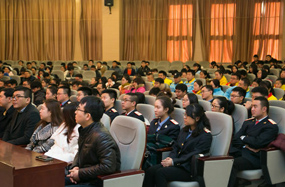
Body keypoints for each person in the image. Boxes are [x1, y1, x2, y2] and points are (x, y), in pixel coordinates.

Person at [143, 104, 212, 187]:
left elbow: (193, 154)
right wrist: (170, 158)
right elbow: (176, 147)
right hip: (177, 163)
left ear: (197, 118)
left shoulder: (205, 135)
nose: (184, 117)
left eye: (187, 116)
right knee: (150, 170)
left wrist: (173, 162)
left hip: (188, 168)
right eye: (184, 114)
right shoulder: (184, 130)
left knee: (160, 173)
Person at [65, 96, 121, 186]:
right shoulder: (86, 129)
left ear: (87, 116)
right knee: (52, 180)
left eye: (78, 109)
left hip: (95, 181)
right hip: (85, 175)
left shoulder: (101, 136)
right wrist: (75, 167)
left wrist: (80, 173)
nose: (75, 112)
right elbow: (80, 151)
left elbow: (108, 166)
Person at [228, 97, 278, 187]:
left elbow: (258, 143)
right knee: (222, 161)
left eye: (255, 107)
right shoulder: (248, 122)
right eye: (251, 107)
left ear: (264, 109)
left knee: (231, 164)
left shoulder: (270, 126)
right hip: (241, 151)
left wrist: (244, 138)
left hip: (254, 157)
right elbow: (235, 139)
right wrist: (247, 144)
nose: (252, 109)